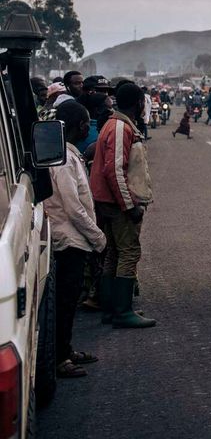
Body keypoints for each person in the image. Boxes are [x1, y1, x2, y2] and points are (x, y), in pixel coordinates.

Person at [45, 100, 106, 377]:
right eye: (86, 124)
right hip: (68, 240)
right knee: (64, 303)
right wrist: (98, 238)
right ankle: (59, 359)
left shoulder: (68, 155)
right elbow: (74, 208)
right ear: (81, 126)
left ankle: (65, 350)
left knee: (67, 302)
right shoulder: (65, 159)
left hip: (72, 238)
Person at [90, 81, 156, 329]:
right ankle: (122, 311)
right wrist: (130, 206)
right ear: (139, 103)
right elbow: (114, 171)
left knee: (114, 254)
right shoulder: (119, 128)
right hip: (117, 203)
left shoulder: (116, 124)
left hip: (108, 201)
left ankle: (112, 307)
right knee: (129, 252)